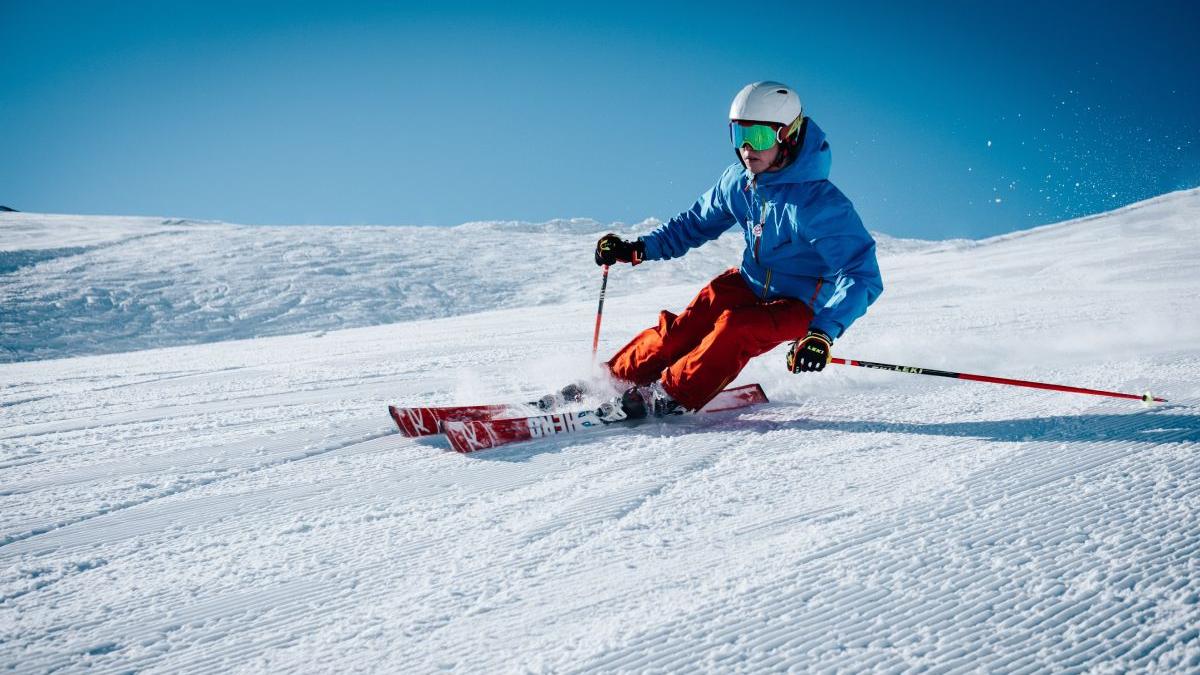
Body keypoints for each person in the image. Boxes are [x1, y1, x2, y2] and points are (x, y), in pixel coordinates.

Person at [594, 81, 883, 419]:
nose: (746, 148)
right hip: (749, 282)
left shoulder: (819, 204)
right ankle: (611, 381)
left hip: (801, 304)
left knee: (737, 327)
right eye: (739, 134)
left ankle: (670, 395)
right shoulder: (738, 182)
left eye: (758, 136)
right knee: (684, 329)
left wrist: (822, 332)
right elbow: (693, 224)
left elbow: (860, 274)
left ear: (787, 135)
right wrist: (637, 248)